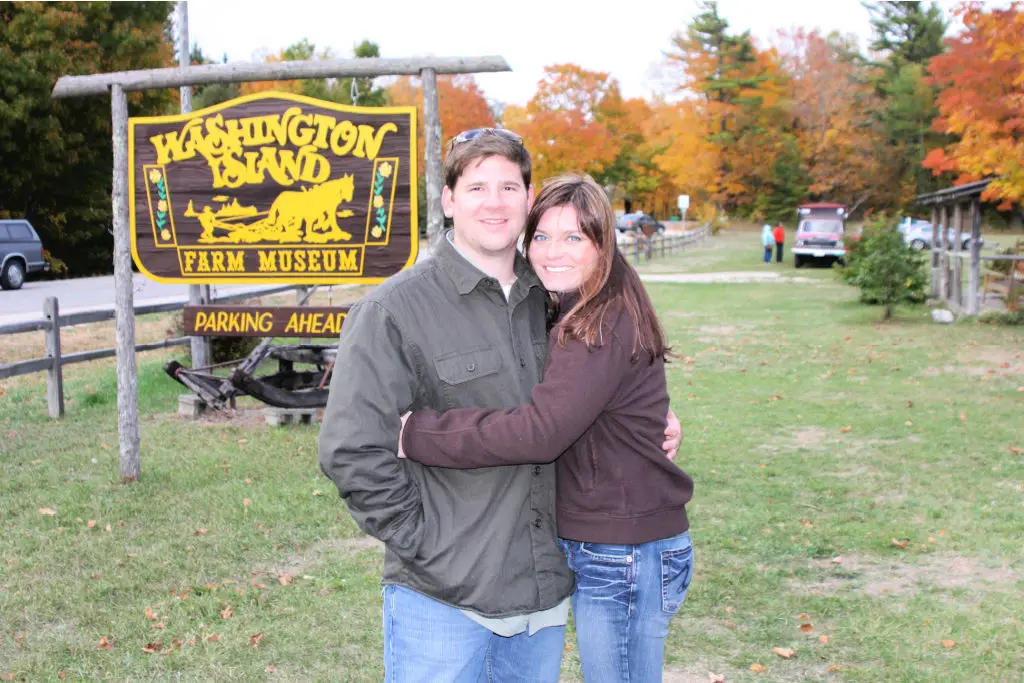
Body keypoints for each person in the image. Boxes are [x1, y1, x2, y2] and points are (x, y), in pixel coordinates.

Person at [318, 130, 680, 683]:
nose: (494, 201)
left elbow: (597, 392)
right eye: (477, 185)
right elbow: (351, 450)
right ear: (448, 200)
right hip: (442, 599)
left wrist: (654, 422)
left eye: (509, 186)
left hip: (541, 593)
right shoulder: (393, 310)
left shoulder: (558, 293)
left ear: (528, 199)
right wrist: (426, 544)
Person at [398, 174, 695, 683]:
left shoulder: (598, 322)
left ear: (603, 244)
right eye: (542, 237)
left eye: (575, 237)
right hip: (620, 542)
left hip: (625, 551)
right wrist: (652, 419)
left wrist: (415, 434)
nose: (554, 252)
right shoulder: (591, 298)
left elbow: (541, 432)